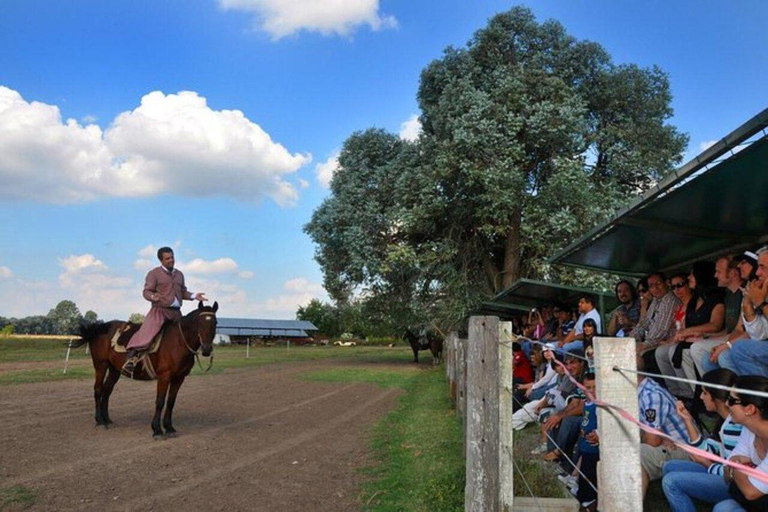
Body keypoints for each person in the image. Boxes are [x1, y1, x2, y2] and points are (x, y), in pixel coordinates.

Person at [661, 369, 742, 512]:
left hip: (736, 484)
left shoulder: (733, 426)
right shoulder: (726, 422)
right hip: (727, 475)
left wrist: (707, 464)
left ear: (717, 397)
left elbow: (732, 473)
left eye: (705, 393)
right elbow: (706, 450)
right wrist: (687, 419)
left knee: (671, 481)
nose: (700, 396)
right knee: (670, 466)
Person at [123, 247, 207, 374]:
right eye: (167, 258)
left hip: (176, 313)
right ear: (161, 260)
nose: (171, 260)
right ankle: (132, 359)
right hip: (160, 311)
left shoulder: (179, 274)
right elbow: (146, 291)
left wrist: (194, 296)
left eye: (172, 257)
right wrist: (152, 296)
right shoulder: (154, 273)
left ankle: (184, 362)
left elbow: (183, 291)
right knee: (147, 333)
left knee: (187, 335)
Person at [656, 272, 725, 398]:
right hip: (691, 339)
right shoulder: (689, 304)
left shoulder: (713, 298)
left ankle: (701, 394)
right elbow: (679, 329)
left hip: (707, 338)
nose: (677, 290)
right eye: (673, 287)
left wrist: (688, 333)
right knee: (662, 351)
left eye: (680, 285)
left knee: (681, 350)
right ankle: (681, 392)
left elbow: (715, 326)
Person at [685, 255, 745, 386]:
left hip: (743, 339)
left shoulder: (744, 293)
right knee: (701, 350)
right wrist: (706, 336)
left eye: (718, 271)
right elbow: (728, 329)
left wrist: (725, 344)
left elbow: (741, 331)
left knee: (698, 348)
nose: (715, 275)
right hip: (732, 336)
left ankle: (730, 394)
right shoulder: (728, 296)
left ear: (733, 273)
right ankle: (713, 393)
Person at [638, 356, 691, 497]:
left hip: (686, 450)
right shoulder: (641, 391)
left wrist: (646, 436)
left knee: (635, 453)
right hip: (668, 445)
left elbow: (652, 440)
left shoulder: (650, 395)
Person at [716, 376, 768, 511]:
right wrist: (739, 469)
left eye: (732, 400)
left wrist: (737, 468)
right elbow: (728, 467)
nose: (727, 404)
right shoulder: (749, 429)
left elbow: (750, 492)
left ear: (750, 409)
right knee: (723, 507)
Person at [631, 272, 681, 379]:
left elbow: (661, 330)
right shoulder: (656, 300)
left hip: (668, 341)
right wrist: (630, 339)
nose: (656, 288)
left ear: (666, 283)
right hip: (657, 342)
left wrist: (644, 344)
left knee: (641, 356)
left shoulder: (669, 299)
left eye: (658, 283)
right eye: (652, 286)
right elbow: (644, 323)